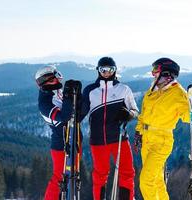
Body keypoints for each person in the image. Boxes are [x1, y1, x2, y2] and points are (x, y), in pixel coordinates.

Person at [133, 58, 192, 200]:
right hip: (147, 139)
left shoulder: (178, 94)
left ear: (166, 74)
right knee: (157, 180)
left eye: (156, 70)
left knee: (146, 181)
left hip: (161, 141)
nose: (153, 73)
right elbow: (143, 115)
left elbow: (189, 116)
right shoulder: (152, 91)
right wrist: (138, 133)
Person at [80, 57, 139, 200]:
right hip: (98, 140)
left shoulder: (123, 89)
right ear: (98, 71)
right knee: (100, 174)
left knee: (127, 172)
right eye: (103, 70)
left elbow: (135, 111)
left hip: (119, 138)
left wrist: (129, 114)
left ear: (115, 70)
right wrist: (71, 102)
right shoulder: (90, 90)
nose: (106, 73)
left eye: (110, 70)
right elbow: (80, 114)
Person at [35, 66, 82, 200]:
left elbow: (77, 113)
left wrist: (77, 95)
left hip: (74, 139)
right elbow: (65, 116)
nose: (58, 80)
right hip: (61, 144)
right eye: (55, 78)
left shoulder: (56, 92)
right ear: (47, 80)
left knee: (74, 175)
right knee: (59, 177)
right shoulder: (44, 103)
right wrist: (68, 96)